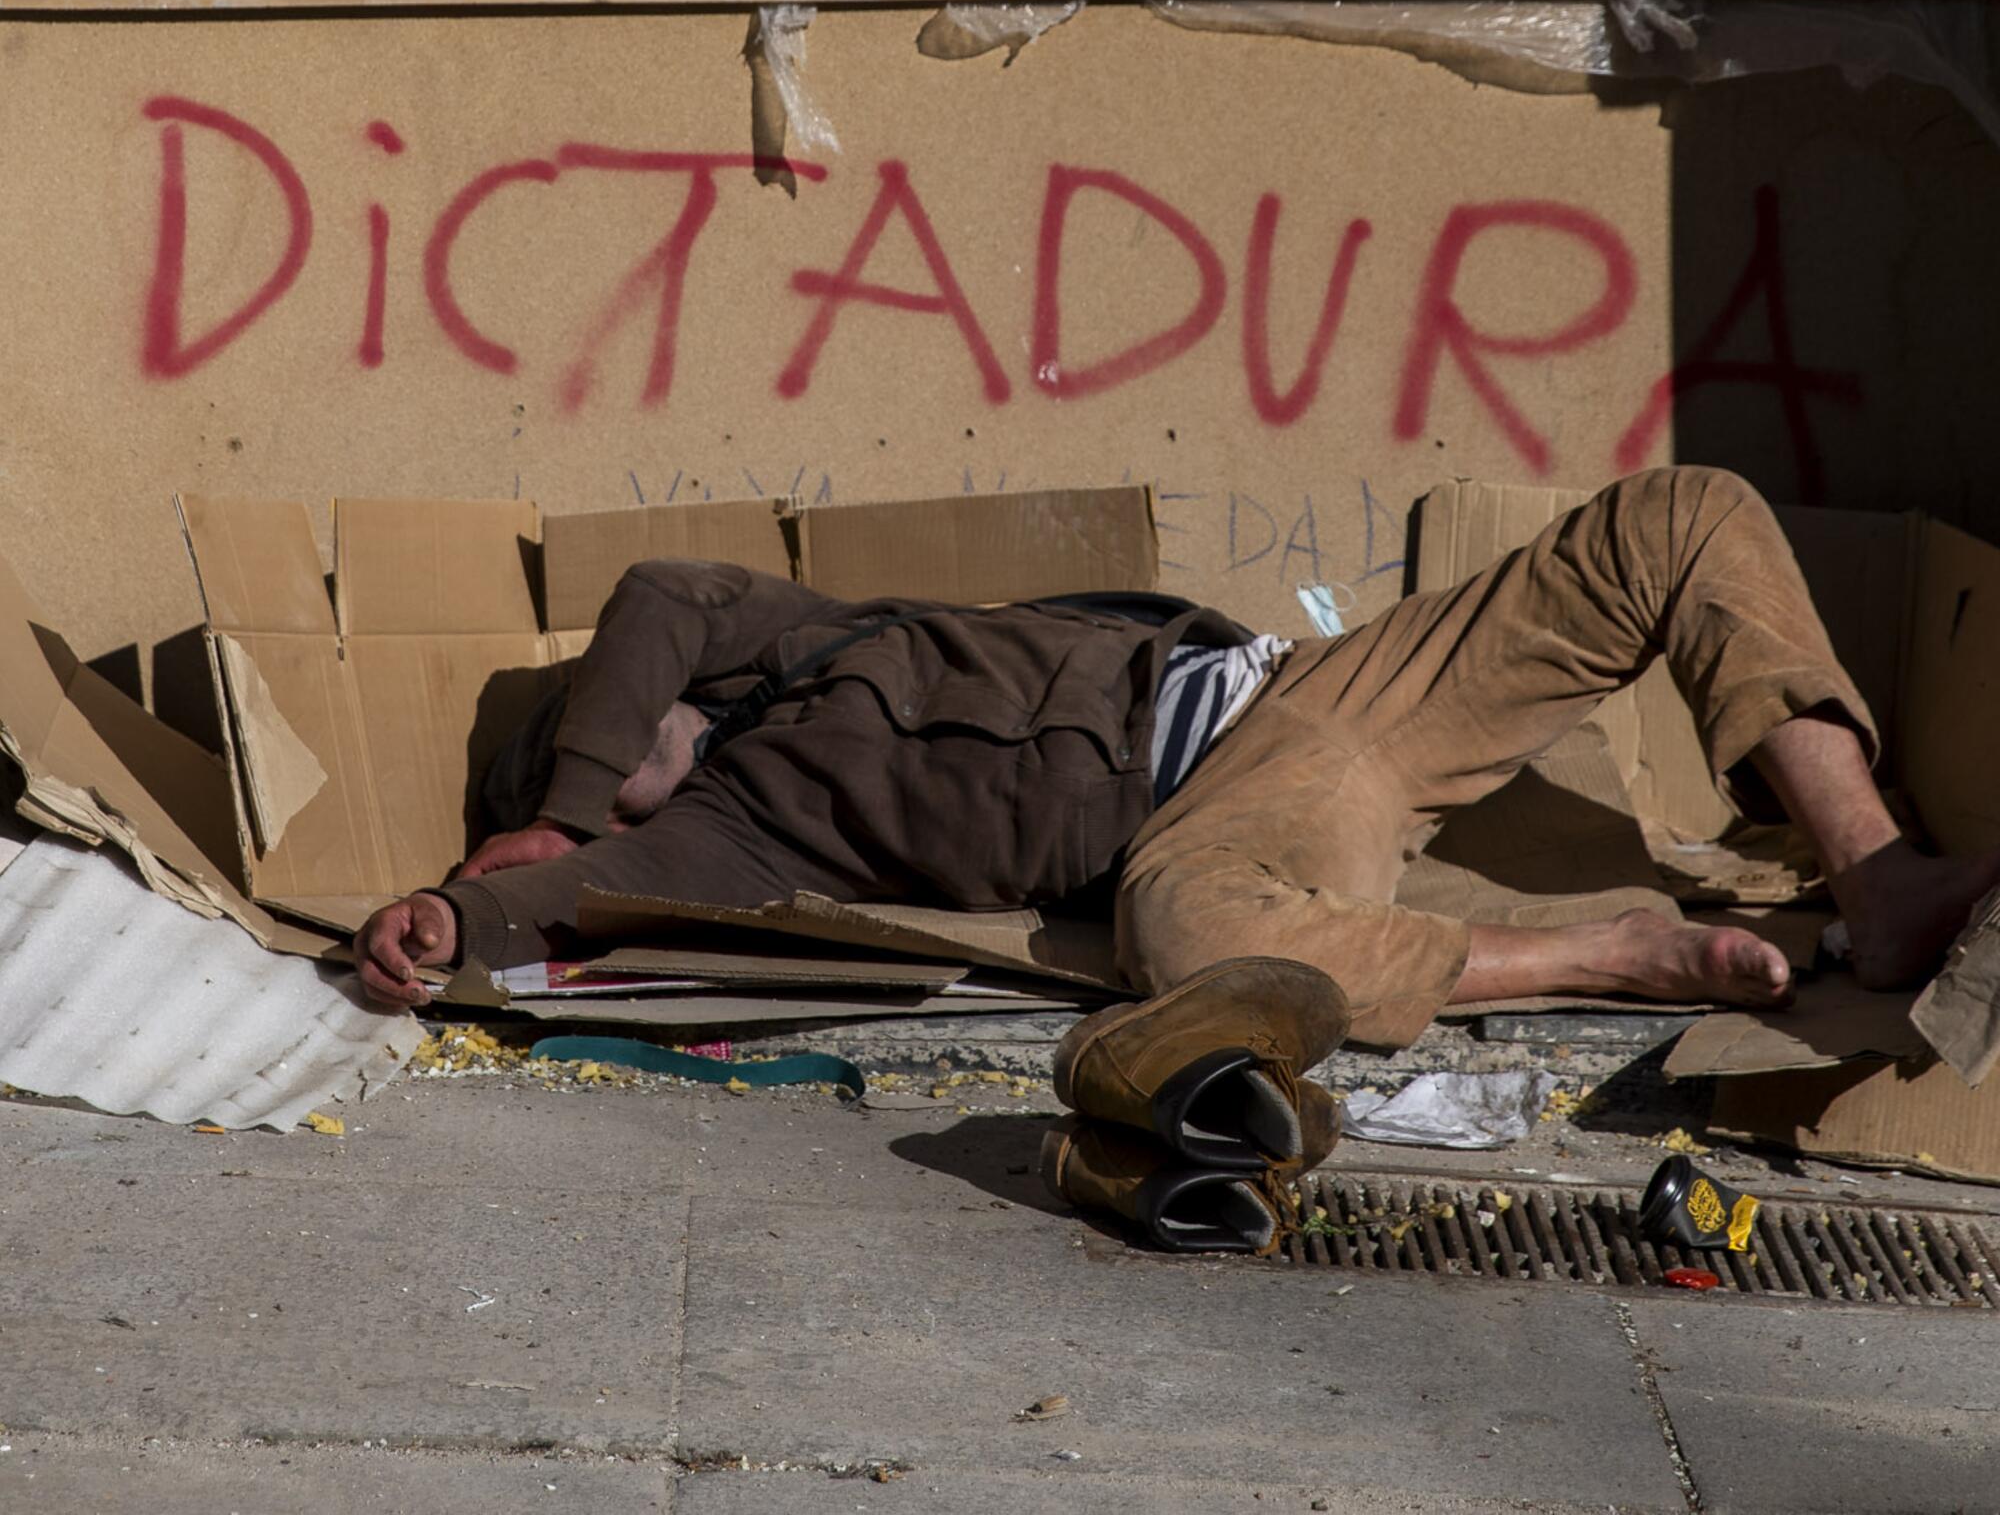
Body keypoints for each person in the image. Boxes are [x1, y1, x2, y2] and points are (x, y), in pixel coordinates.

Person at [352, 467, 2000, 1044]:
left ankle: (1878, 875)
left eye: (606, 729)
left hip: (1317, 689)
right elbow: (581, 903)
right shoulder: (732, 839)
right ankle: (1615, 955)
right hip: (1221, 819)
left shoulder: (786, 631)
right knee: (1183, 947)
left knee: (1682, 517)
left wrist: (561, 788)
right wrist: (485, 897)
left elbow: (660, 590)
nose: (628, 761)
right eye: (582, 776)